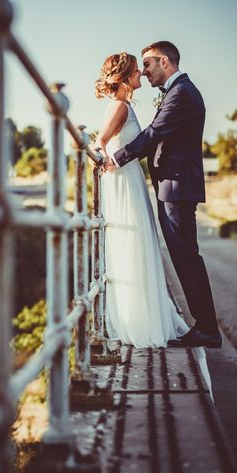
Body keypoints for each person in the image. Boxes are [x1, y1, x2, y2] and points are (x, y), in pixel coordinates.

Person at [105, 41, 220, 349]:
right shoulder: (177, 92)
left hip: (177, 187)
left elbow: (154, 133)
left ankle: (208, 329)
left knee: (186, 257)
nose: (144, 71)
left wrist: (116, 158)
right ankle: (205, 326)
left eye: (148, 64)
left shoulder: (181, 93)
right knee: (184, 256)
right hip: (173, 185)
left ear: (165, 62)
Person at [94, 51, 189, 348]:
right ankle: (137, 321)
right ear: (123, 78)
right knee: (132, 244)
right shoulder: (119, 107)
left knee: (140, 245)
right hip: (123, 181)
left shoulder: (125, 106)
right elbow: (100, 143)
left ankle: (143, 316)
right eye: (137, 71)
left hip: (131, 178)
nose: (141, 75)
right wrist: (107, 163)